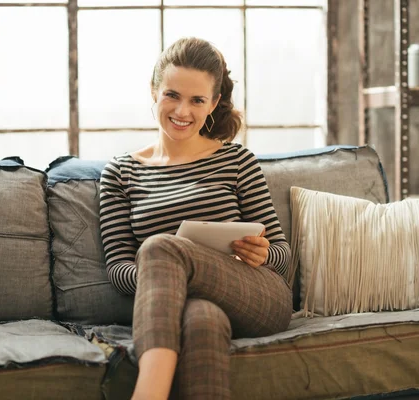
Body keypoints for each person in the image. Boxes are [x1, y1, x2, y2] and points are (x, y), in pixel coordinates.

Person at [99, 37, 292, 400]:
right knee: (201, 319)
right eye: (172, 95)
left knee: (160, 246)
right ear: (154, 92)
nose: (182, 111)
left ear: (213, 103)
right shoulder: (121, 172)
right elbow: (118, 271)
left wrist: (263, 253)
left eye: (197, 100)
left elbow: (282, 255)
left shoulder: (238, 162)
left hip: (258, 296)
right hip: (182, 303)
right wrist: (168, 272)